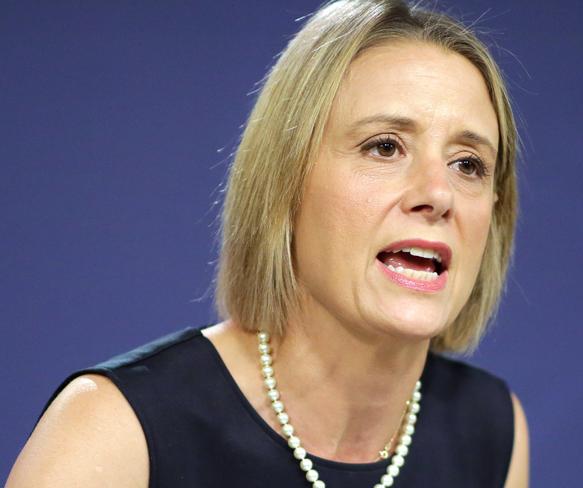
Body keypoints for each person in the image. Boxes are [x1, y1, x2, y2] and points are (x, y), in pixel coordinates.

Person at [7, 0, 529, 486]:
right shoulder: (115, 431)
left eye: (468, 164)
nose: (438, 194)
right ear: (284, 183)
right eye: (385, 147)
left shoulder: (492, 431)